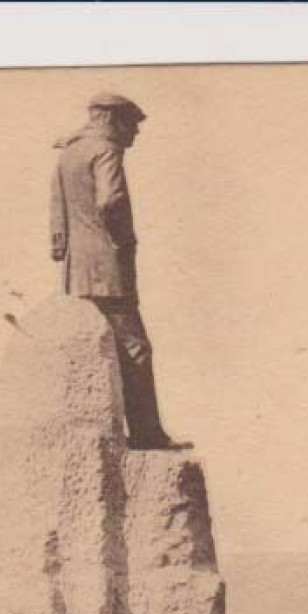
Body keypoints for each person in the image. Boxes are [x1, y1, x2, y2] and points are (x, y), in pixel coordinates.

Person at [50, 91, 179, 449]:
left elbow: (57, 210)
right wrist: (121, 241)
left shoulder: (70, 151)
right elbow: (110, 200)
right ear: (112, 120)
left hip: (76, 273)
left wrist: (61, 247)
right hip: (108, 270)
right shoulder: (106, 150)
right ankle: (147, 433)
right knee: (134, 348)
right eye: (132, 126)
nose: (134, 136)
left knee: (91, 349)